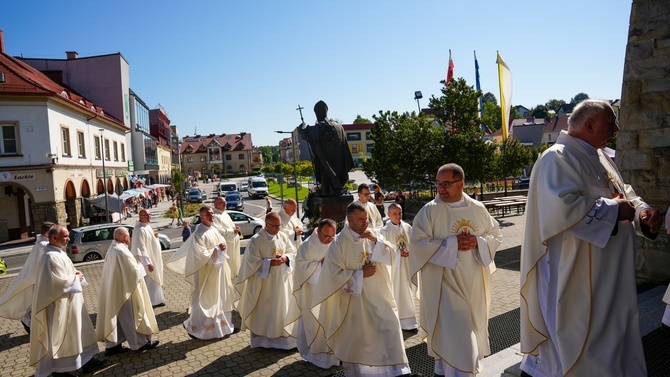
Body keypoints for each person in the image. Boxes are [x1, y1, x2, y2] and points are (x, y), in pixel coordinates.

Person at [519, 99, 663, 377]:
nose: (617, 128)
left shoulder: (600, 156)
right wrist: (616, 209)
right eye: (611, 123)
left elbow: (625, 193)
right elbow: (563, 209)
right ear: (589, 125)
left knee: (613, 347)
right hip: (577, 281)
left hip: (610, 277)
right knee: (580, 353)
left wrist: (642, 213)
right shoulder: (556, 157)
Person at [410, 163, 503, 377]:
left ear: (461, 183)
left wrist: (478, 242)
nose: (441, 189)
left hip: (473, 283)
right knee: (458, 336)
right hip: (444, 285)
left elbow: (496, 234)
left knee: (458, 334)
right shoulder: (429, 211)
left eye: (446, 184)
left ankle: (443, 372)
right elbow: (417, 243)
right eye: (438, 184)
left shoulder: (477, 209)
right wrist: (451, 245)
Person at [311, 202, 415, 376]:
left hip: (380, 295)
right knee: (360, 339)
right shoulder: (339, 244)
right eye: (360, 219)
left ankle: (393, 371)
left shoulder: (373, 234)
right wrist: (360, 275)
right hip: (355, 302)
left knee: (390, 327)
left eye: (366, 218)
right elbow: (332, 276)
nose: (365, 222)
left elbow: (392, 256)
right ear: (349, 220)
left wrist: (376, 241)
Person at [30, 225, 107, 377]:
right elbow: (56, 283)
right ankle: (59, 370)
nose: (68, 239)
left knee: (80, 332)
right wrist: (75, 278)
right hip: (60, 305)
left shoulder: (58, 253)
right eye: (65, 236)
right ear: (54, 238)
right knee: (61, 337)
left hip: (72, 302)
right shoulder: (49, 257)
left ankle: (87, 361)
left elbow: (65, 274)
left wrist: (75, 274)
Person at [167, 206, 237, 340]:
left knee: (219, 298)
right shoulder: (198, 234)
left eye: (212, 213)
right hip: (205, 274)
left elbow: (221, 243)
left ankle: (222, 327)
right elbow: (199, 255)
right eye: (208, 214)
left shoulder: (214, 229)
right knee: (204, 301)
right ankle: (199, 329)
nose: (212, 216)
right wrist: (217, 250)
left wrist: (223, 247)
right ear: (202, 217)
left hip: (218, 271)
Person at [234, 212, 300, 349]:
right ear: (266, 224)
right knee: (265, 310)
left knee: (281, 308)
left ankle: (285, 341)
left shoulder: (282, 236)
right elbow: (251, 262)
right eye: (274, 226)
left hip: (281, 281)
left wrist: (286, 258)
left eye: (279, 225)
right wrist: (269, 263)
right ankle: (262, 341)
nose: (277, 229)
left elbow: (293, 251)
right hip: (263, 284)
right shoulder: (256, 240)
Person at [97, 227, 159, 355]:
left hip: (116, 289)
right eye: (128, 236)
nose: (129, 238)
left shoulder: (113, 248)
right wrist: (140, 266)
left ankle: (113, 346)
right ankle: (140, 343)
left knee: (118, 319)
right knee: (132, 317)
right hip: (126, 291)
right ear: (125, 237)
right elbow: (133, 272)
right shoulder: (122, 251)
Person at [292, 218, 340, 369]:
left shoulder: (336, 243)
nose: (330, 239)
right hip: (313, 295)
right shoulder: (306, 247)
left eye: (333, 236)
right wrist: (320, 265)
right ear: (318, 231)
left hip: (334, 293)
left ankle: (337, 356)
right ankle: (318, 357)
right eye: (326, 236)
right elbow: (300, 270)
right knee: (318, 325)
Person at [0, 221, 53, 334]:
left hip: (39, 280)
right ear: (48, 233)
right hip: (39, 281)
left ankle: (34, 325)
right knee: (37, 305)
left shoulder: (41, 244)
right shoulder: (43, 246)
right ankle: (29, 323)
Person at [297, 100, 355, 197]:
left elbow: (305, 133)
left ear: (316, 113)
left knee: (327, 191)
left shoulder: (318, 128)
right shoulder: (339, 127)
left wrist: (302, 126)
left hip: (327, 170)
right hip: (340, 167)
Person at [380, 203, 418, 330]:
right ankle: (397, 322)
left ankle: (410, 322)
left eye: (400, 213)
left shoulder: (407, 227)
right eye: (394, 213)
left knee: (408, 292)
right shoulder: (384, 231)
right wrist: (397, 252)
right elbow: (382, 251)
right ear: (388, 214)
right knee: (395, 292)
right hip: (394, 269)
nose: (398, 216)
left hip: (407, 266)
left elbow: (414, 244)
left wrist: (409, 251)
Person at [130, 209, 165, 308]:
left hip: (153, 257)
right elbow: (140, 248)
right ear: (140, 217)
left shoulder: (146, 227)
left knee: (155, 280)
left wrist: (154, 237)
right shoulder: (139, 230)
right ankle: (151, 302)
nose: (149, 216)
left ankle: (158, 299)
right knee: (150, 280)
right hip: (147, 260)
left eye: (150, 214)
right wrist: (148, 262)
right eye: (146, 215)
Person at [213, 196, 242, 280]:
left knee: (234, 261)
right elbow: (218, 231)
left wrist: (235, 228)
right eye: (222, 202)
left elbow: (230, 226)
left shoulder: (225, 214)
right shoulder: (215, 216)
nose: (225, 203)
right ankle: (228, 276)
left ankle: (234, 275)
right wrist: (232, 231)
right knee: (228, 263)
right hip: (226, 244)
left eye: (225, 202)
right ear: (216, 204)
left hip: (233, 243)